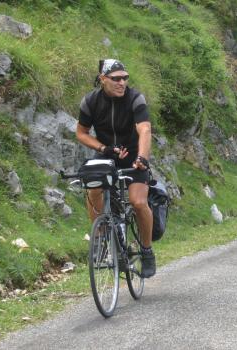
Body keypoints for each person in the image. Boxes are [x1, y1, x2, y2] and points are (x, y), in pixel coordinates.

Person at [76, 59, 156, 278]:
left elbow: (145, 130)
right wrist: (103, 148)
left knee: (139, 202)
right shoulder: (91, 101)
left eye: (125, 78)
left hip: (133, 155)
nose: (122, 82)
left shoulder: (135, 98)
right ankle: (101, 240)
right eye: (116, 79)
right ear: (103, 79)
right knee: (92, 188)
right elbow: (81, 133)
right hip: (107, 153)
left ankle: (147, 251)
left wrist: (141, 157)